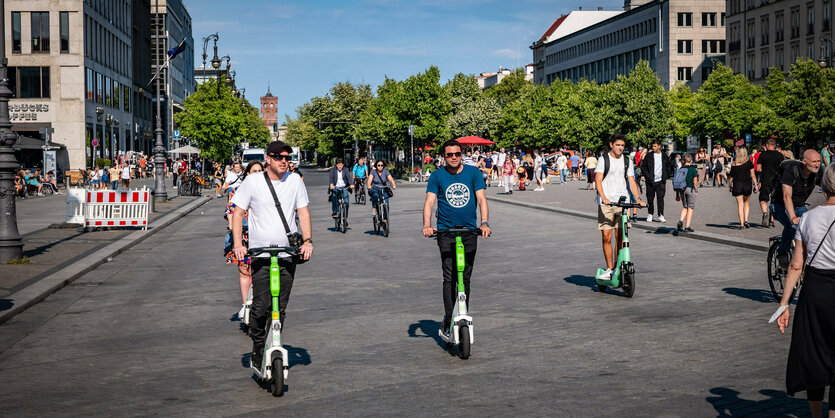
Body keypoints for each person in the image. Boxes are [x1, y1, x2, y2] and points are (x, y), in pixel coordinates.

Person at [231, 141, 313, 370]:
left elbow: (303, 212)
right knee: (260, 306)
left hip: (287, 253)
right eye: (279, 157)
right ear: (268, 158)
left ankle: (273, 341)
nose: (284, 161)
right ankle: (258, 347)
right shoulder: (253, 182)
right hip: (260, 254)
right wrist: (239, 244)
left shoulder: (295, 181)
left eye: (288, 157)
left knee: (280, 307)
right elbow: (238, 213)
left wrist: (307, 241)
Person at [776, 163, 835, 418]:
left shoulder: (809, 218)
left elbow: (796, 265)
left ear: (823, 186)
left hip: (814, 292)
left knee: (815, 354)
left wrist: (784, 304)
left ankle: (816, 416)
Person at [422, 139, 491, 337]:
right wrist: (427, 225)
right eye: (449, 155)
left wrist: (484, 223)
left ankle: (462, 313)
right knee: (449, 277)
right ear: (444, 157)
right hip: (445, 232)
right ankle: (448, 318)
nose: (453, 157)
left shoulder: (473, 173)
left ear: (462, 155)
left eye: (457, 154)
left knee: (465, 277)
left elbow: (482, 199)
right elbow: (429, 202)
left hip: (469, 231)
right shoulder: (437, 176)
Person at [595, 134, 645, 280]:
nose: (620, 148)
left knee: (620, 237)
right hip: (606, 202)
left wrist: (637, 199)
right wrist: (603, 197)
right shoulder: (603, 159)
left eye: (623, 146)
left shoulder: (626, 161)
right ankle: (609, 269)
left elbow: (631, 180)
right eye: (618, 145)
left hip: (622, 201)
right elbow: (598, 180)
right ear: (611, 144)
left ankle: (617, 266)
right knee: (606, 236)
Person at [226, 161, 264, 319]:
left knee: (260, 272)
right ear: (247, 173)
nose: (256, 173)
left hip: (262, 237)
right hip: (244, 236)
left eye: (259, 171)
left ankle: (259, 303)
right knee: (244, 271)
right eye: (253, 171)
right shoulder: (237, 191)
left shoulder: (268, 191)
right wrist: (233, 228)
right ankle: (245, 304)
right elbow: (231, 212)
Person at [773, 150, 822, 268]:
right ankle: (782, 253)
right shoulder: (791, 171)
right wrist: (793, 217)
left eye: (819, 161)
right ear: (804, 162)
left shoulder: (818, 173)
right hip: (780, 205)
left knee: (813, 228)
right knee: (792, 226)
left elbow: (828, 189)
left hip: (800, 206)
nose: (817, 164)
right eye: (814, 161)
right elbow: (786, 196)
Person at [640, 139, 673, 223]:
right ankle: (650, 214)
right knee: (650, 199)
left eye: (655, 146)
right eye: (652, 146)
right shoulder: (649, 155)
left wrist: (666, 176)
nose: (653, 147)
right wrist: (648, 176)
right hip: (650, 181)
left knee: (660, 199)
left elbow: (669, 166)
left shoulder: (664, 156)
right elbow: (643, 167)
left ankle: (660, 215)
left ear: (659, 146)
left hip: (661, 181)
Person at [757, 139, 785, 226]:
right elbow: (783, 168)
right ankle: (772, 220)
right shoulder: (780, 155)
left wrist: (764, 170)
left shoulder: (763, 154)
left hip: (766, 179)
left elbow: (758, 168)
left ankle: (765, 213)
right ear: (774, 145)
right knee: (774, 200)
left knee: (763, 199)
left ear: (767, 145)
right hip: (777, 180)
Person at [728, 147, 758, 229]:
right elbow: (753, 175)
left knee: (740, 205)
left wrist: (730, 185)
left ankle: (741, 224)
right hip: (747, 184)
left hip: (737, 185)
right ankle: (746, 220)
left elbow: (731, 177)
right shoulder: (749, 163)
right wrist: (755, 185)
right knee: (746, 203)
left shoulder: (734, 164)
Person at [676, 154, 699, 232]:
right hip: (690, 189)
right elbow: (695, 182)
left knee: (685, 207)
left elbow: (677, 181)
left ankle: (681, 221)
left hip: (681, 190)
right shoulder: (693, 169)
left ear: (683, 161)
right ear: (691, 161)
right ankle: (687, 226)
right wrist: (696, 191)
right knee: (690, 208)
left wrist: (677, 194)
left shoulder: (680, 169)